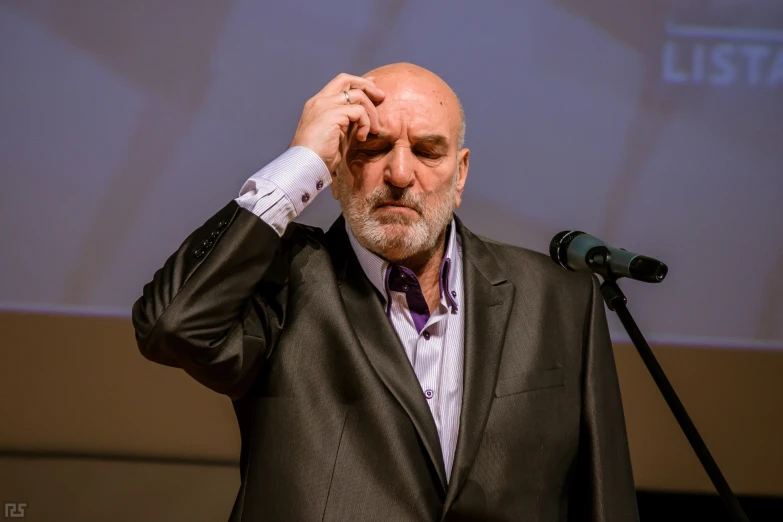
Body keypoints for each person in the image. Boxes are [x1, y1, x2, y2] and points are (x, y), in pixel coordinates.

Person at [132, 62, 639, 521]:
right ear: (334, 171)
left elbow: (604, 498)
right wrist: (300, 159)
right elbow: (172, 325)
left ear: (459, 174)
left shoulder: (557, 298)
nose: (399, 174)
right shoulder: (282, 280)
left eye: (426, 151)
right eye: (373, 149)